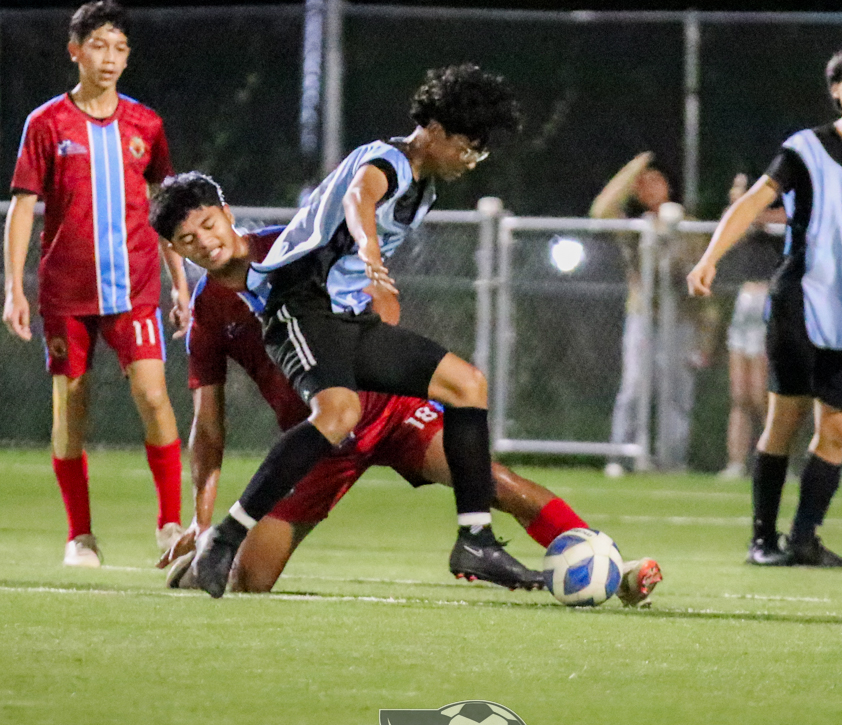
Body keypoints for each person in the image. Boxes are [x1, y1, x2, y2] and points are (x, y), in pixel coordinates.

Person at [148, 172, 661, 604]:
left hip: (391, 414)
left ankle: (613, 567)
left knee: (493, 482)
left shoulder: (295, 248)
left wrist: (375, 338)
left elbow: (380, 298)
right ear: (174, 249)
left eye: (209, 225)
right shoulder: (208, 313)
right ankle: (203, 557)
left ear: (226, 211)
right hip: (322, 444)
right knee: (248, 581)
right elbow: (208, 425)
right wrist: (199, 519)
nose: (206, 242)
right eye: (189, 240)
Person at [187, 64, 537, 599]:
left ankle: (475, 539)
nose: (472, 160)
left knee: (467, 385)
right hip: (297, 306)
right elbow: (359, 197)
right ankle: (225, 537)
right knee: (338, 414)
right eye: (468, 146)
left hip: (346, 318)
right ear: (437, 131)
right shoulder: (389, 160)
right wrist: (369, 247)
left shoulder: (424, 190)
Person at [687, 41, 842, 568]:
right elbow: (752, 203)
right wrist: (710, 257)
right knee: (784, 419)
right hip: (799, 301)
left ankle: (804, 539)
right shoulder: (804, 149)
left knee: (839, 428)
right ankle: (762, 539)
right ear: (836, 90)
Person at [3, 0, 193, 570]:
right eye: (98, 47)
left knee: (155, 396)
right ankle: (80, 536)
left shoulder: (146, 125)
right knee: (71, 409)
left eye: (119, 48)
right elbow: (22, 208)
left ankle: (169, 526)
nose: (109, 58)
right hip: (66, 293)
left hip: (134, 287)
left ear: (127, 57)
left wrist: (181, 284)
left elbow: (167, 210)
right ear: (75, 52)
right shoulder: (46, 124)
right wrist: (14, 289)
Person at [589, 153, 700, 473]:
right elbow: (600, 210)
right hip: (642, 316)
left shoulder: (689, 226)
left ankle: (672, 460)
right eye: (644, 182)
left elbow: (699, 278)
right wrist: (635, 166)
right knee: (635, 386)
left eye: (657, 179)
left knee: (677, 393)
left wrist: (706, 332)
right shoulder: (634, 227)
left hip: (680, 319)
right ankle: (622, 456)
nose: (650, 186)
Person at [718, 172, 786, 480]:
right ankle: (735, 462)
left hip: (768, 300)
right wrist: (737, 204)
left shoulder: (785, 211)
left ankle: (773, 459)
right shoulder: (747, 215)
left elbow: (779, 218)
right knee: (740, 393)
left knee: (762, 392)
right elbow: (731, 228)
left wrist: (747, 207)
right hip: (746, 300)